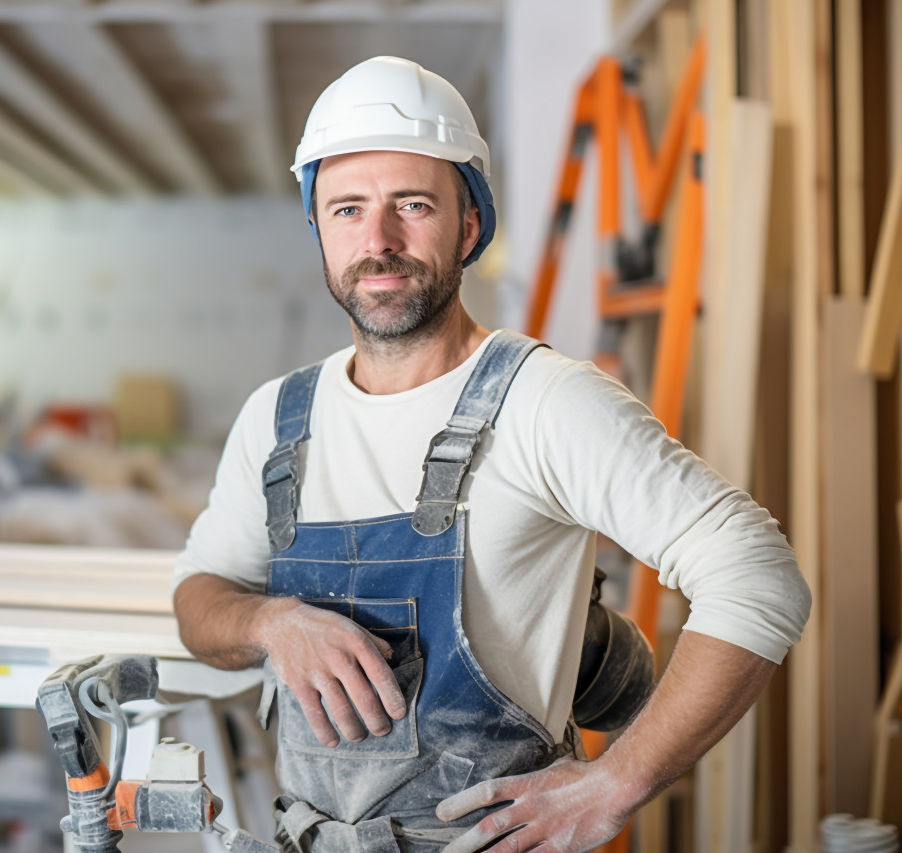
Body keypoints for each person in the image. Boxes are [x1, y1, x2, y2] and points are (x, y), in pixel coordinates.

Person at [172, 56, 810, 853]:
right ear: (319, 231)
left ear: (469, 224)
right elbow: (198, 596)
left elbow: (756, 573)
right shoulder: (276, 417)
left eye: (413, 204)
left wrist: (619, 780)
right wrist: (271, 621)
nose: (380, 240)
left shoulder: (545, 402)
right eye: (347, 209)